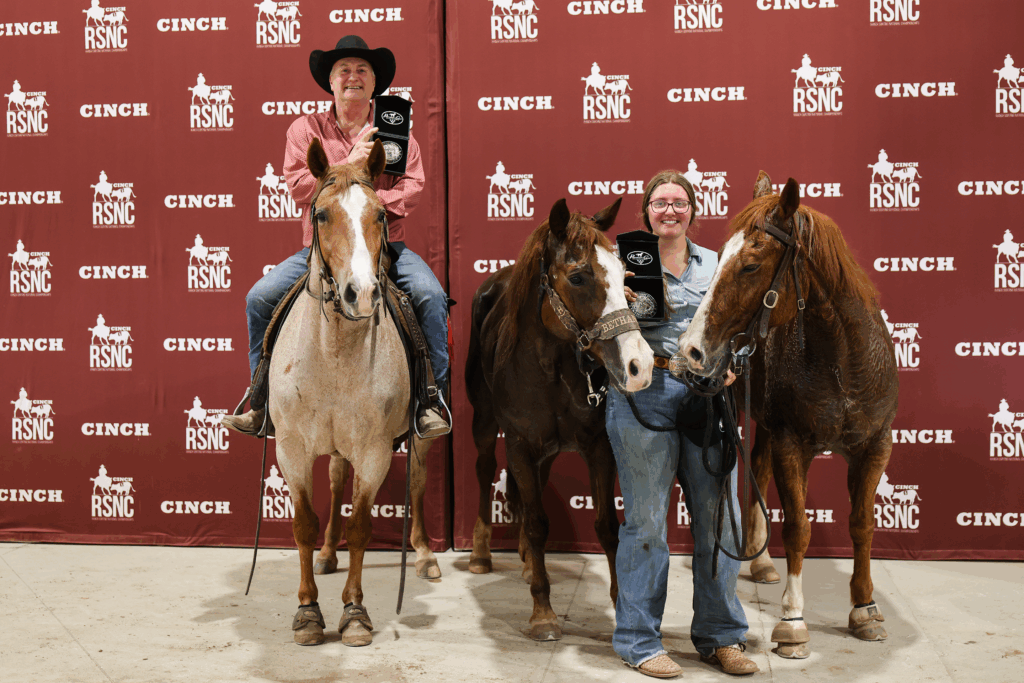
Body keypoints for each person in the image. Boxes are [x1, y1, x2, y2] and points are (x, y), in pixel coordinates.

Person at [223, 35, 450, 438]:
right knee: (258, 297)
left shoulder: (397, 130)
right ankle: (260, 403)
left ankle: (431, 401)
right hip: (322, 251)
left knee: (430, 296)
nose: (353, 77)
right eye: (343, 69)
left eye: (362, 70)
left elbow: (413, 184)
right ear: (330, 81)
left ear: (374, 83)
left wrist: (364, 206)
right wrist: (352, 163)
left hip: (386, 248)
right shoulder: (304, 130)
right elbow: (297, 186)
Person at [606, 170, 758, 678]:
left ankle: (721, 637)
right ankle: (638, 640)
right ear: (645, 211)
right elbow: (596, 324)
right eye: (659, 202)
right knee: (647, 522)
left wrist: (735, 360)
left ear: (693, 210)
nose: (669, 210)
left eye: (678, 202)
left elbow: (738, 321)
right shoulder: (621, 262)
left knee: (721, 519)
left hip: (706, 396)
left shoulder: (717, 265)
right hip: (641, 394)